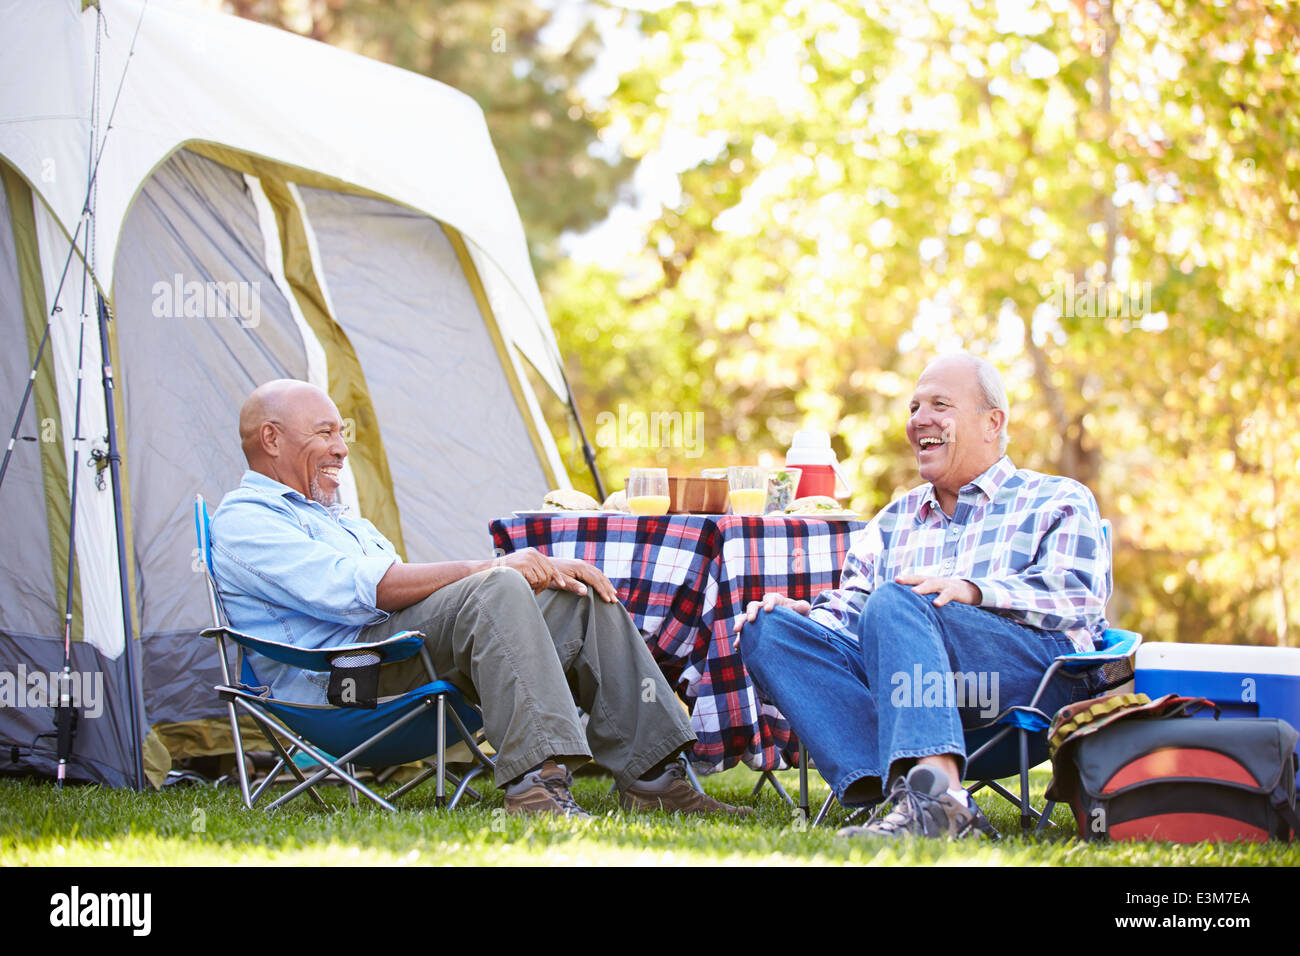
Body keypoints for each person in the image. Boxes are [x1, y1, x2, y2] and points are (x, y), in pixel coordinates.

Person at [210, 379, 746, 819]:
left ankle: (654, 779)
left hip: (393, 652)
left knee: (578, 596)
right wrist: (493, 569)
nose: (340, 448)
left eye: (339, 433)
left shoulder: (334, 516)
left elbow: (394, 595)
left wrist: (532, 573)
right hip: (342, 680)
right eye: (324, 432)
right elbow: (360, 591)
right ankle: (537, 789)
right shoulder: (246, 521)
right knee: (497, 584)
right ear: (272, 438)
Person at [736, 352, 1110, 839]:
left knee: (897, 600)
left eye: (940, 404)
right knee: (768, 629)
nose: (920, 420)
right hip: (902, 689)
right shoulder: (893, 518)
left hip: (1022, 682)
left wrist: (973, 592)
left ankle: (937, 801)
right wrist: (811, 617)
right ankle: (895, 793)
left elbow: (1079, 596)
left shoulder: (1059, 498)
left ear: (992, 422)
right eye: (914, 408)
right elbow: (854, 608)